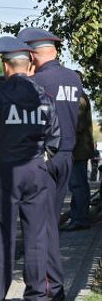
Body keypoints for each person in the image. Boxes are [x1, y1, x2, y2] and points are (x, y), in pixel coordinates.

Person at [0, 36, 60, 301]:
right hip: (36, 172)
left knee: (1, 240)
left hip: (6, 174)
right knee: (37, 238)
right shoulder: (43, 96)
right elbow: (55, 138)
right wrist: (40, 158)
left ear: (6, 66)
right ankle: (37, 296)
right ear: (29, 65)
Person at [18, 27, 83, 301]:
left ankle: (47, 290)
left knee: (39, 227)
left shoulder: (37, 83)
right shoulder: (73, 79)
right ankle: (53, 288)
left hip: (42, 157)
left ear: (32, 54)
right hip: (66, 156)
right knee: (49, 224)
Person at [62, 72, 95, 231]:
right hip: (80, 149)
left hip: (78, 150)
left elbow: (76, 126)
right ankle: (78, 218)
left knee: (78, 186)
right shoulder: (81, 97)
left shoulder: (79, 99)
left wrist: (66, 145)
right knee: (79, 185)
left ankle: (80, 219)